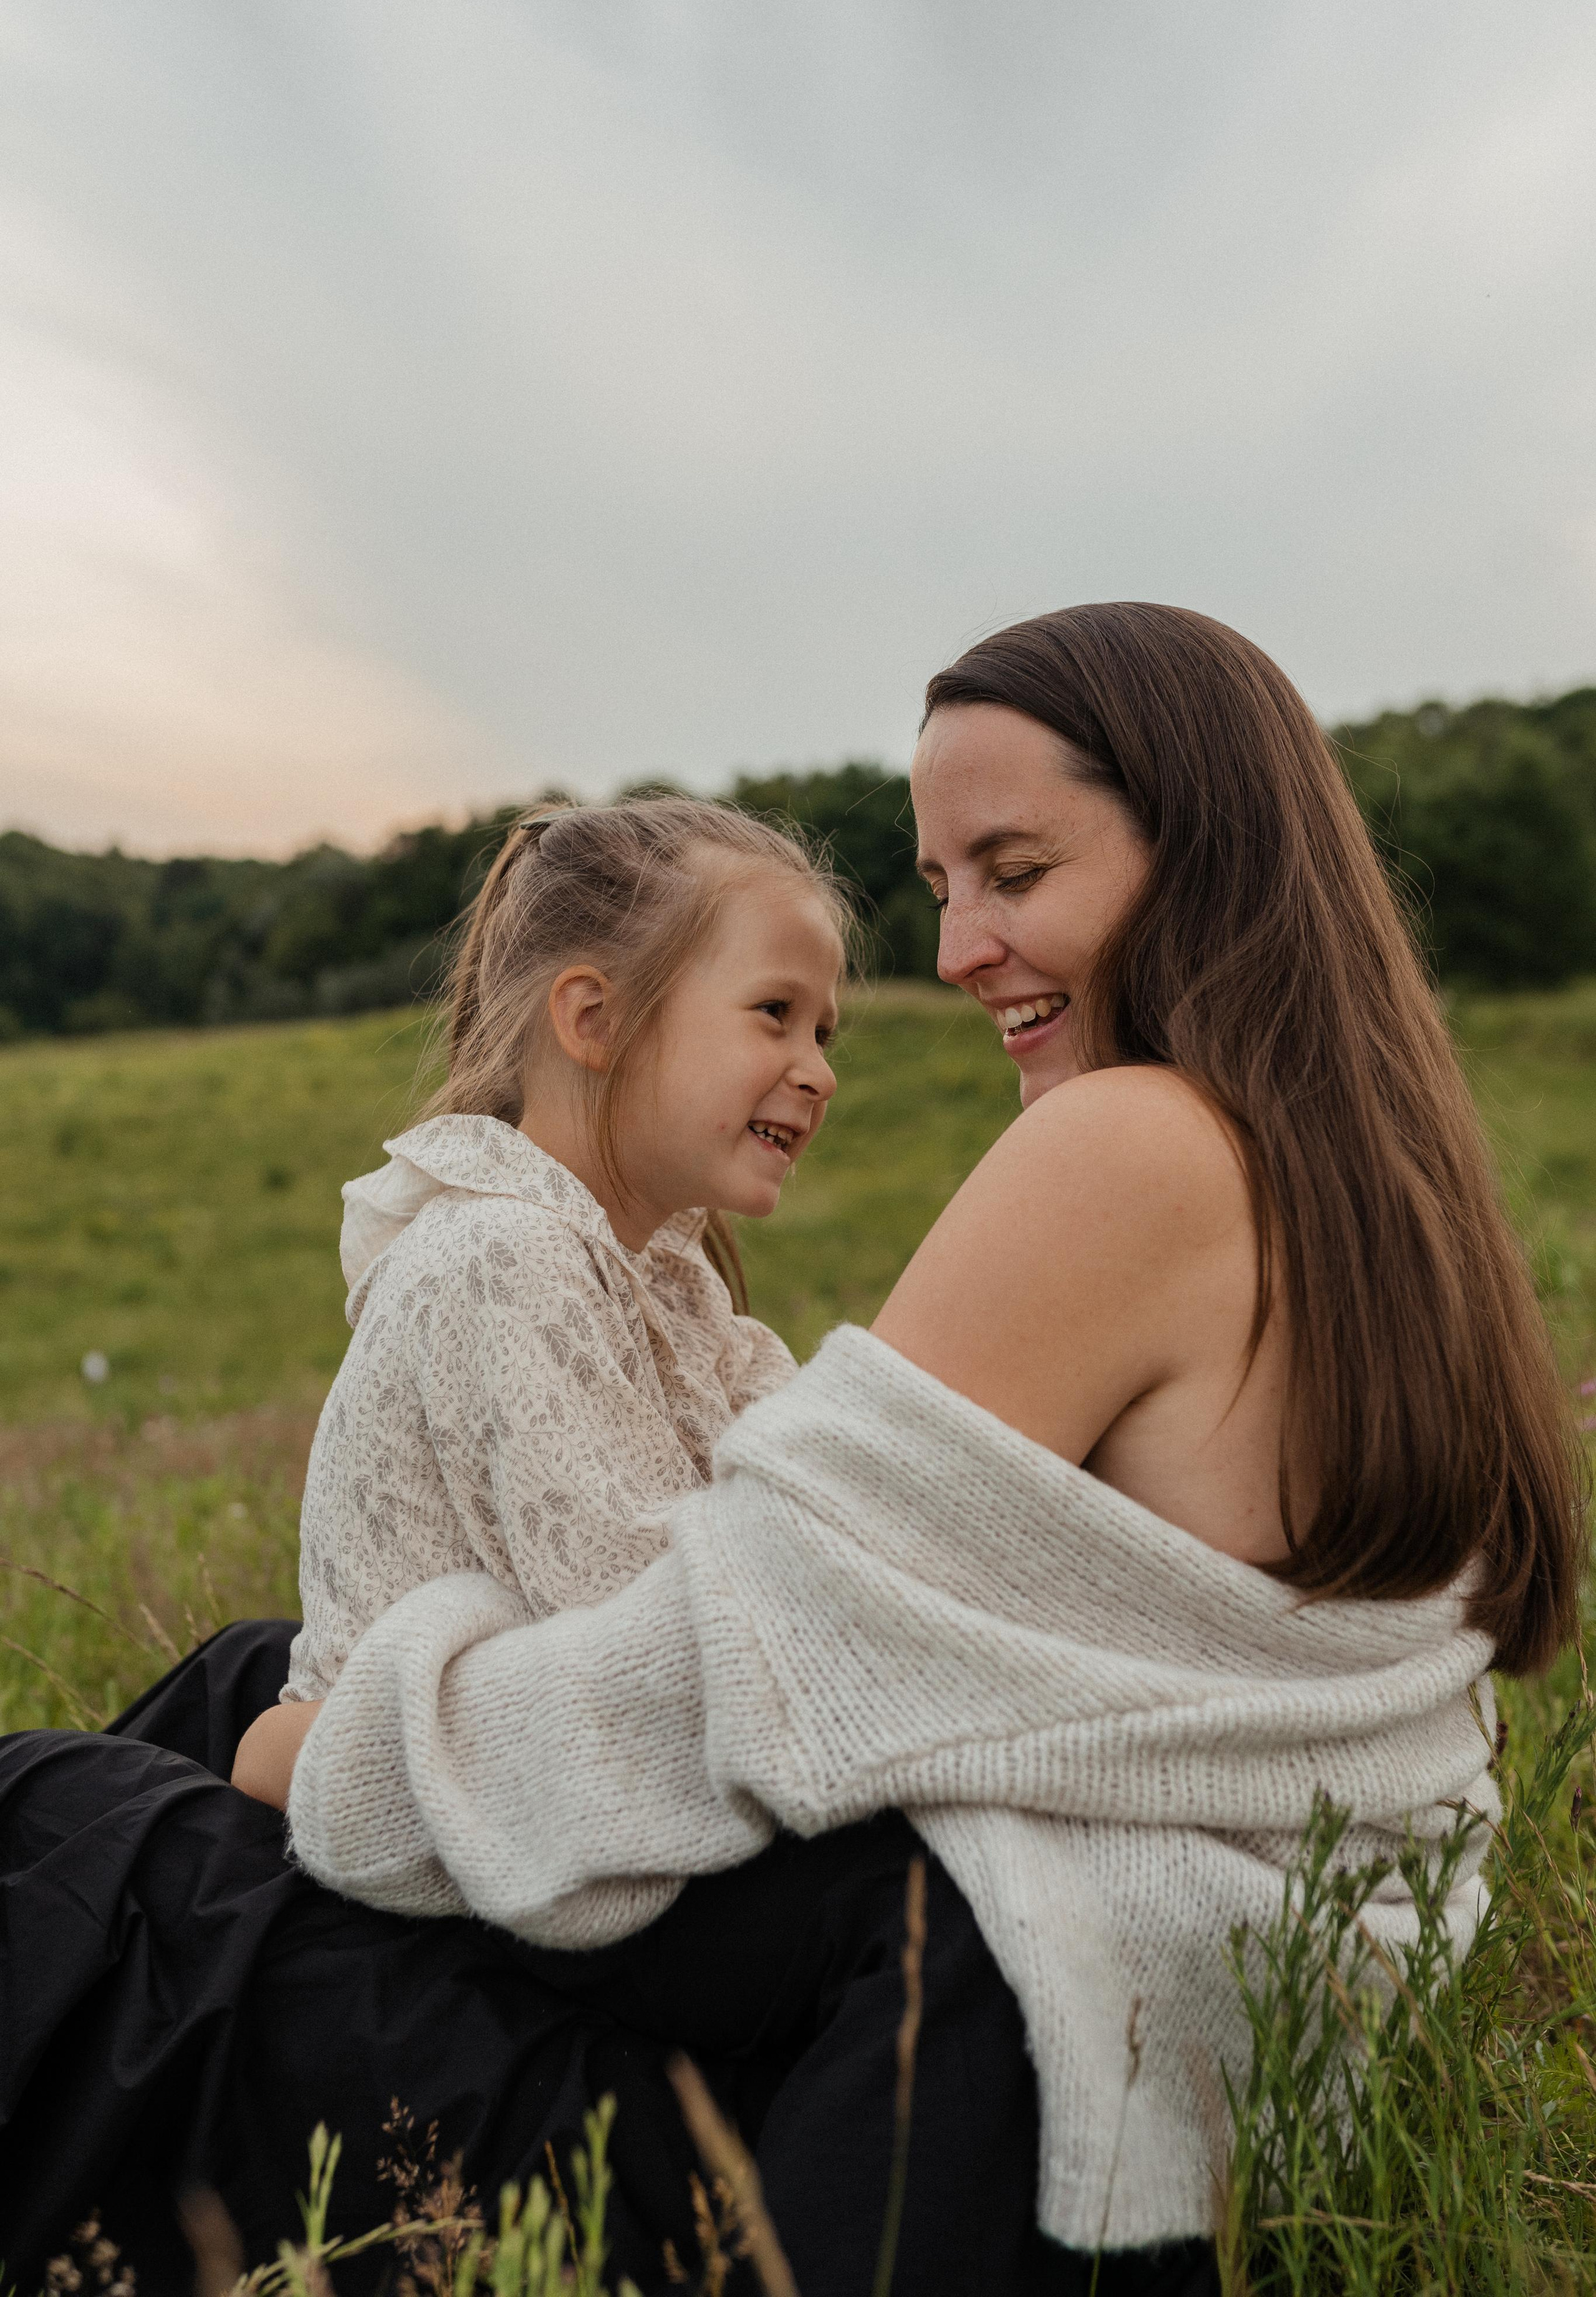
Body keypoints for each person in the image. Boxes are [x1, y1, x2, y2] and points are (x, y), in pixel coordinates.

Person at [1, 604, 1583, 2297]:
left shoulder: (1133, 1148)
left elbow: (731, 1675)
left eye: (1016, 871)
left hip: (979, 2074)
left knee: (73, 1821)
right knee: (240, 1680)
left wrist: (326, 1768)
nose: (966, 947)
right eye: (944, 885)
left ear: (1201, 853)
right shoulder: (1372, 1179)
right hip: (1188, 2001)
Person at [231, 796, 842, 1801]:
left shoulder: (671, 1285)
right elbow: (644, 1624)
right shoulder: (500, 1256)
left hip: (542, 1795)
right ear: (593, 1021)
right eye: (775, 1013)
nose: (818, 1070)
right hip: (408, 1828)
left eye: (826, 1030)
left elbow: (798, 1497)